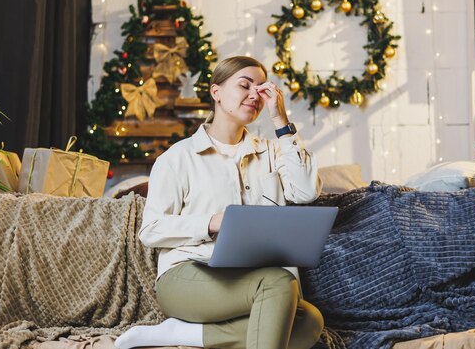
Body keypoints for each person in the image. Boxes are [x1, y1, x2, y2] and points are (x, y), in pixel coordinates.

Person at [115, 56, 324, 349]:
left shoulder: (274, 153)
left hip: (255, 277)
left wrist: (280, 120)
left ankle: (184, 334)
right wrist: (210, 223)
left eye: (261, 88)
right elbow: (151, 229)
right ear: (216, 92)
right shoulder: (178, 158)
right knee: (279, 283)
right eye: (244, 85)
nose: (255, 95)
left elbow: (305, 191)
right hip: (188, 275)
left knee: (309, 321)